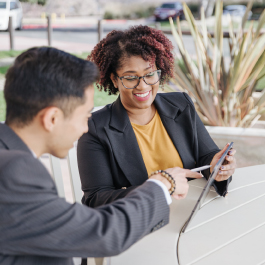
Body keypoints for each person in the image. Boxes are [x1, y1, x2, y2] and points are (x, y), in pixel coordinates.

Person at [0, 47, 203, 265]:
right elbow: (101, 233)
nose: (86, 128)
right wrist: (163, 183)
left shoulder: (11, 157)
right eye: (85, 116)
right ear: (52, 119)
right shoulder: (14, 172)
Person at [77, 25, 237, 209]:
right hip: (140, 223)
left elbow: (206, 156)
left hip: (190, 211)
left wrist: (217, 168)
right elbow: (96, 198)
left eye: (150, 74)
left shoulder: (181, 104)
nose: (143, 86)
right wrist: (159, 187)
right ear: (114, 79)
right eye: (131, 78)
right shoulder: (96, 128)